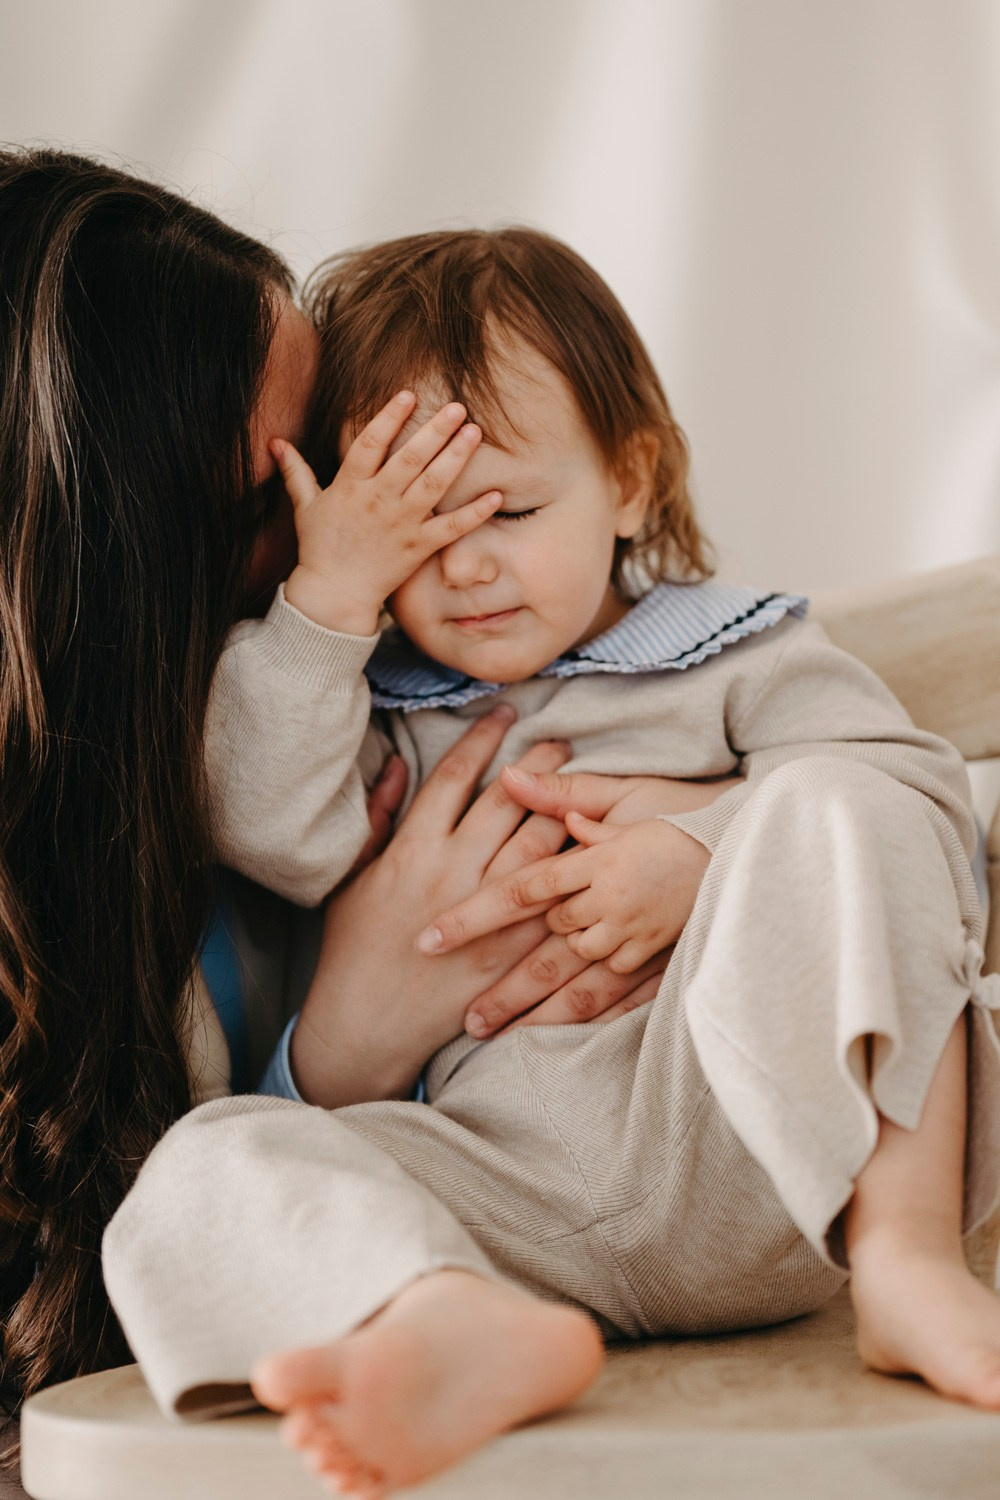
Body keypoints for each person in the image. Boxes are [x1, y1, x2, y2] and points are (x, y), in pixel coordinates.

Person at [102, 229, 1000, 1500]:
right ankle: (438, 1318)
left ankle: (910, 1262)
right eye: (418, 532)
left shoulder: (738, 656)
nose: (465, 566)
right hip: (500, 1194)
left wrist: (703, 845)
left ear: (629, 482)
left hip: (760, 1146)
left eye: (511, 512)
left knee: (847, 795)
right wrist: (331, 601)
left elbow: (919, 814)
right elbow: (267, 830)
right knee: (203, 1162)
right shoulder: (372, 711)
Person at [0, 151, 638, 1448]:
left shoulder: (400, 689)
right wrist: (342, 1048)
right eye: (275, 502)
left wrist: (693, 822)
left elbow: (824, 762)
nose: (355, 538)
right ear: (119, 568)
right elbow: (123, 1324)